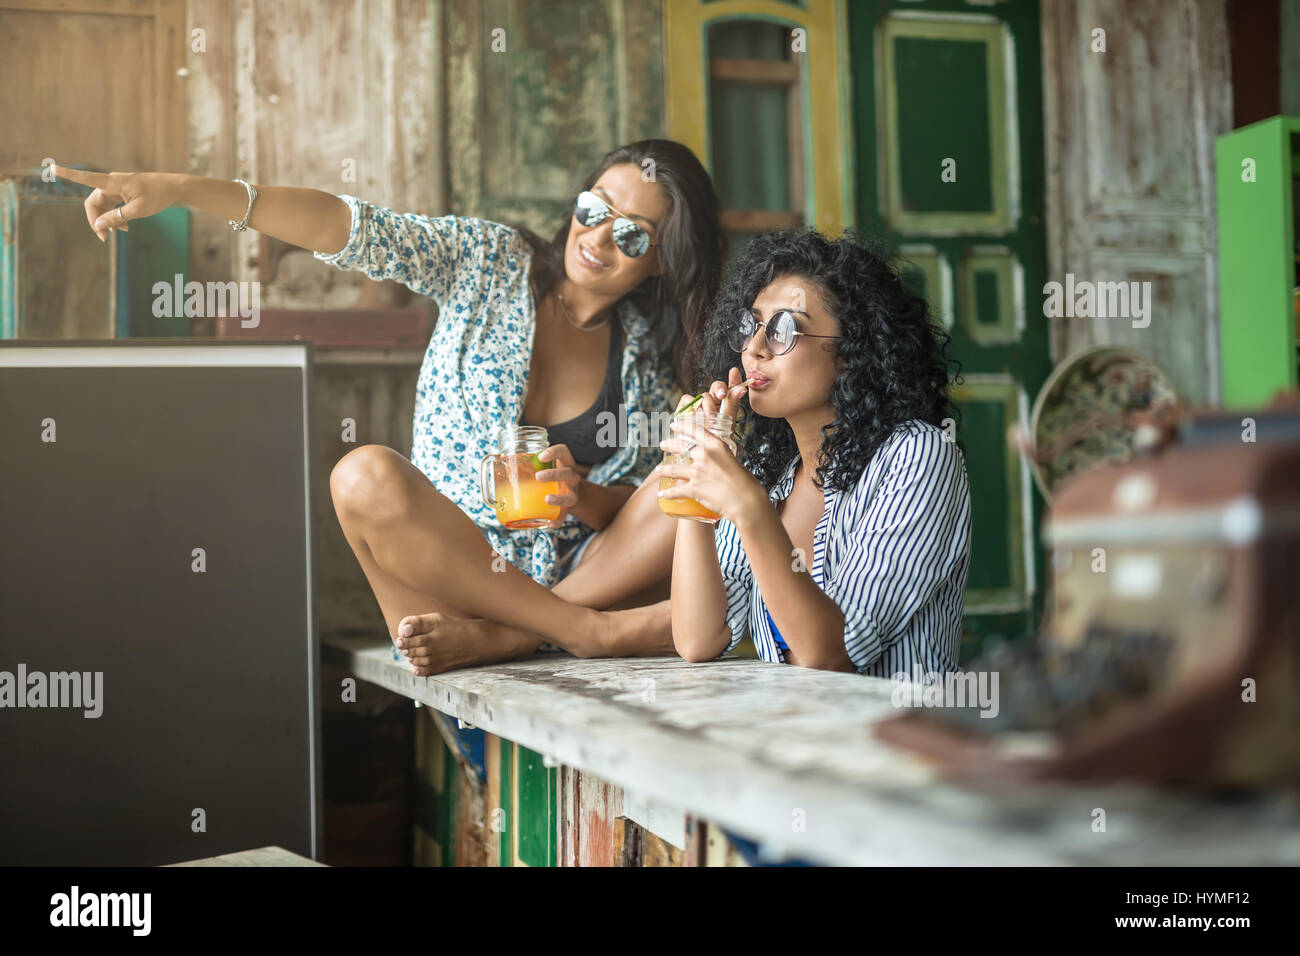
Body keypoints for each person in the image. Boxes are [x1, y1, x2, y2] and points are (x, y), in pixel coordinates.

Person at [53, 140, 726, 674]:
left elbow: (633, 510)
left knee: (690, 468)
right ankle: (581, 634)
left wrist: (582, 497)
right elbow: (352, 228)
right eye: (594, 207)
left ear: (662, 261)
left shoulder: (644, 352)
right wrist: (179, 190)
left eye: (634, 235)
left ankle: (511, 637)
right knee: (362, 476)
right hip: (449, 579)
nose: (600, 237)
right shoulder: (489, 261)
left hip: (569, 571)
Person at [661, 229, 971, 679]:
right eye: (751, 326)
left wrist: (749, 507)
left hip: (892, 742)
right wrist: (696, 476)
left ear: (850, 353)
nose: (754, 348)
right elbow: (698, 639)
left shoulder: (918, 456)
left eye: (786, 328)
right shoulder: (771, 465)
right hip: (791, 740)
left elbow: (827, 655)